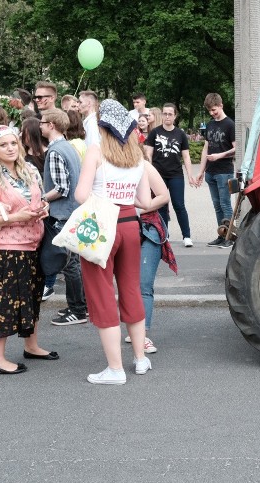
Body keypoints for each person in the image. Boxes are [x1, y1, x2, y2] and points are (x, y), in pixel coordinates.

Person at [74, 99, 167, 385]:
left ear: (102, 126)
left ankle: (115, 369)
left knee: (102, 294)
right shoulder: (137, 156)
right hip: (129, 224)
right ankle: (140, 359)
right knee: (131, 290)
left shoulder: (96, 151)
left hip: (102, 224)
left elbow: (80, 195)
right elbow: (145, 201)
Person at [0, 125, 54, 374]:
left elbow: (40, 200)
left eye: (12, 143)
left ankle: (32, 346)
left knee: (32, 297)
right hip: (7, 249)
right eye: (2, 145)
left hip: (33, 244)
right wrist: (15, 216)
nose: (10, 148)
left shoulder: (29, 170)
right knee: (4, 304)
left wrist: (43, 209)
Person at [38, 108, 88, 325]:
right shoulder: (68, 147)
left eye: (42, 122)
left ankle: (78, 310)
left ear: (51, 125)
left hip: (64, 214)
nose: (39, 125)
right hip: (73, 211)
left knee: (70, 264)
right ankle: (77, 306)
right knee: (74, 262)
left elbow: (61, 187)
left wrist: (40, 199)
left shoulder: (56, 151)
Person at [131, 163, 175, 354]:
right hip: (122, 229)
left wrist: (139, 210)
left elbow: (164, 196)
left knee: (144, 285)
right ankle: (134, 328)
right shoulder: (110, 165)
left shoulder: (144, 166)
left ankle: (143, 334)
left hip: (148, 229)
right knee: (129, 286)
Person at [144, 102, 194, 247]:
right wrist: (148, 174)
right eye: (165, 114)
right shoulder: (155, 132)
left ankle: (187, 236)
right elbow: (149, 153)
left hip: (176, 174)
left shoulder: (180, 134)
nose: (167, 117)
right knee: (161, 206)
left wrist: (190, 175)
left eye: (170, 114)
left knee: (179, 205)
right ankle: (164, 234)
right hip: (158, 175)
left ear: (175, 116)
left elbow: (186, 156)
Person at [192, 92, 235, 248]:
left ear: (221, 105)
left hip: (224, 171)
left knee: (225, 205)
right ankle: (221, 234)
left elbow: (236, 149)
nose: (212, 113)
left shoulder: (230, 124)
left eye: (214, 110)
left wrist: (220, 155)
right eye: (210, 111)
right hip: (211, 172)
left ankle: (230, 236)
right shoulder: (210, 125)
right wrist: (201, 171)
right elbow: (206, 148)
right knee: (217, 205)